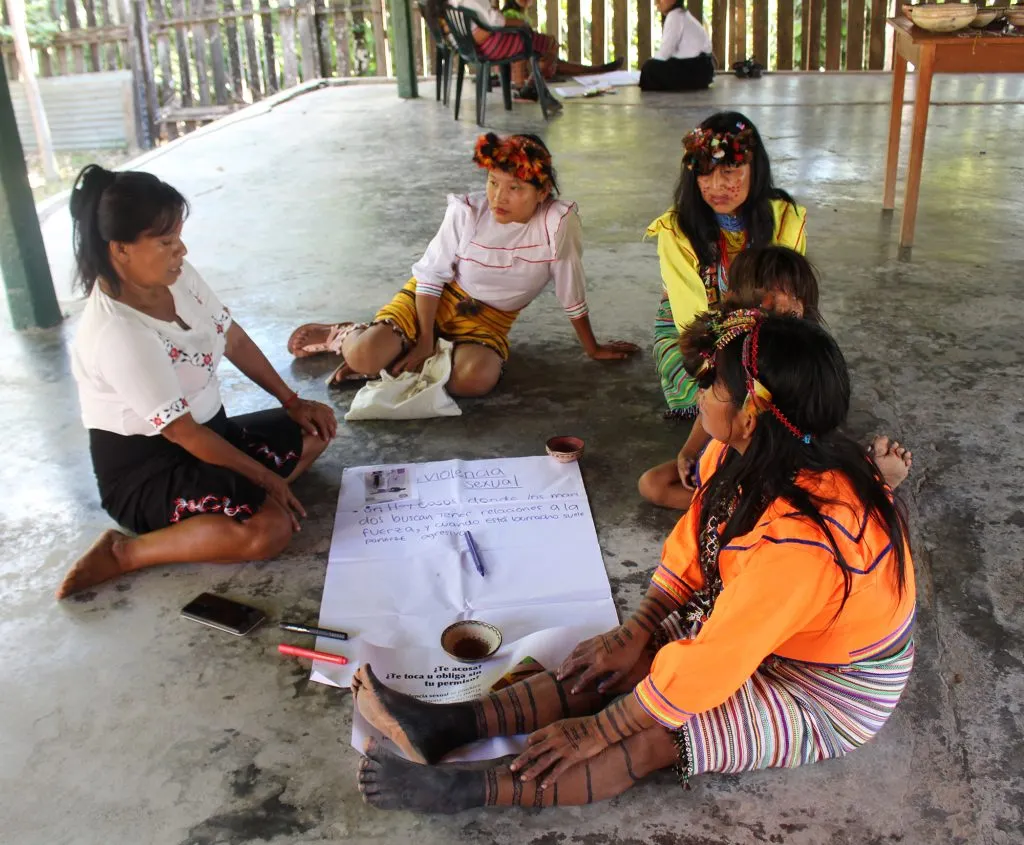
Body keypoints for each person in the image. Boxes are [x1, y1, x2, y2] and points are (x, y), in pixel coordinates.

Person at [349, 307, 917, 812]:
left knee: (654, 735)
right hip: (764, 626)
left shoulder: (806, 544)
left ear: (751, 415)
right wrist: (640, 629)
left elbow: (714, 663)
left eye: (713, 387)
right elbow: (698, 544)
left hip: (828, 686)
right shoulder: (745, 450)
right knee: (614, 662)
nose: (700, 396)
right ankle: (444, 725)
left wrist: (602, 727)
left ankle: (463, 790)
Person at [58, 165, 337, 599]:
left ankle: (229, 507)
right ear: (121, 250)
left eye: (178, 237)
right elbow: (182, 432)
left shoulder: (177, 277)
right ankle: (125, 553)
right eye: (166, 242)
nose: (181, 250)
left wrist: (291, 400)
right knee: (270, 530)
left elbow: (234, 337)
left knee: (316, 429)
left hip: (212, 434)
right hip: (149, 469)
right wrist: (266, 479)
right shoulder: (117, 332)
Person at [287, 133, 638, 396]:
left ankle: (402, 355)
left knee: (475, 381)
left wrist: (592, 347)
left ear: (542, 192)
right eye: (493, 183)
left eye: (515, 188)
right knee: (364, 357)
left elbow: (569, 286)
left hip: (489, 321)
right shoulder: (467, 212)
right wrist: (425, 340)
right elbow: (429, 277)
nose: (499, 197)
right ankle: (345, 335)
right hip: (432, 300)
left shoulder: (557, 224)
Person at [638, 246, 913, 510]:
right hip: (736, 443)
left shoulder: (803, 358)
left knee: (809, 494)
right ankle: (737, 505)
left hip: (783, 457)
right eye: (768, 297)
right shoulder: (730, 351)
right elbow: (713, 401)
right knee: (653, 484)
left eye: (793, 298)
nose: (783, 307)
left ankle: (870, 488)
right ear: (737, 300)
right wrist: (688, 451)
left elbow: (813, 429)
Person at [648, 110, 807, 421]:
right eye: (705, 172)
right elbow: (692, 322)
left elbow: (788, 302)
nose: (716, 185)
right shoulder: (675, 230)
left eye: (731, 169)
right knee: (706, 385)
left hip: (769, 330)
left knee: (800, 370)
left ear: (755, 168)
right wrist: (734, 369)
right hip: (703, 336)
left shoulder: (786, 217)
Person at [446, 0, 624, 102]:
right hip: (488, 46)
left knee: (544, 46)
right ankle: (531, 86)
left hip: (469, 48)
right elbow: (494, 21)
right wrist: (522, 25)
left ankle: (534, 83)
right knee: (548, 42)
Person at [639, 0, 715, 92]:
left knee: (649, 68)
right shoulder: (682, 15)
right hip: (703, 71)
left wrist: (651, 61)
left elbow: (664, 54)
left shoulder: (675, 16)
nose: (656, 2)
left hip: (696, 70)